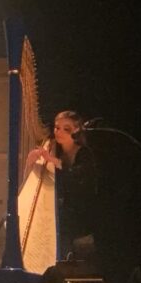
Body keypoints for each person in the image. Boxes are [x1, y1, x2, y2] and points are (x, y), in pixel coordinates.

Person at [25, 110, 98, 261]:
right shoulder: (53, 149)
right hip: (62, 209)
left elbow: (75, 180)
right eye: (57, 127)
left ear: (76, 131)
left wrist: (54, 160)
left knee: (60, 222)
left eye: (66, 129)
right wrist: (30, 162)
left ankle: (61, 261)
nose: (59, 132)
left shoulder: (84, 154)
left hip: (79, 212)